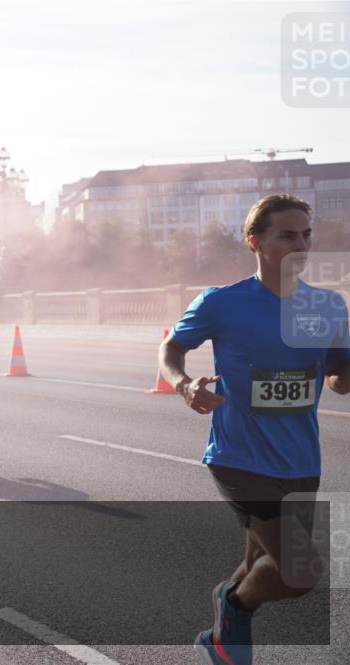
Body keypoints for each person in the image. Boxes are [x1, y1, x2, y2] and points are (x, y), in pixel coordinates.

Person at [158, 194, 350, 665]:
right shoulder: (223, 303)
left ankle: (227, 607)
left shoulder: (328, 306)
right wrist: (184, 385)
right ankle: (234, 609)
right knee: (301, 571)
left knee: (259, 563)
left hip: (301, 459)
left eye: (306, 234)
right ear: (255, 242)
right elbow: (171, 348)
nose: (301, 244)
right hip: (238, 457)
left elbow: (338, 380)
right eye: (287, 235)